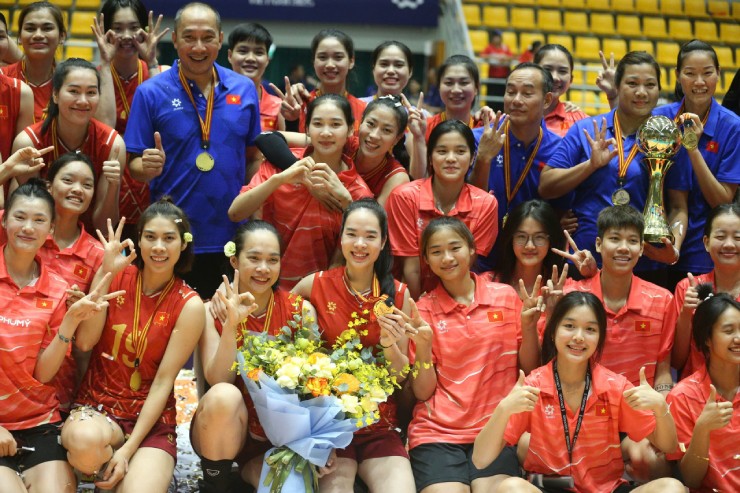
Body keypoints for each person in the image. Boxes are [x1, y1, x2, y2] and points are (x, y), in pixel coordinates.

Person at [472, 291, 683, 493]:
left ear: (599, 338)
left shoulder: (615, 386)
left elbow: (668, 445)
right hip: (549, 487)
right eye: (569, 326)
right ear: (553, 332)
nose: (579, 337)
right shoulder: (534, 386)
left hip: (606, 489)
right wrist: (503, 409)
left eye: (590, 329)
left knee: (672, 488)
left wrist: (660, 407)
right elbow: (480, 459)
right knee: (510, 488)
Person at [61, 201, 204, 492]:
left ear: (183, 244)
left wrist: (127, 450)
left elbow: (164, 381)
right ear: (138, 240)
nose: (158, 247)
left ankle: (124, 470)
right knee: (83, 441)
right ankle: (103, 466)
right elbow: (85, 342)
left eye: (169, 238)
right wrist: (105, 275)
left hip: (151, 422)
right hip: (97, 408)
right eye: (150, 237)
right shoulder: (115, 275)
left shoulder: (189, 304)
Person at [125, 1, 261, 297]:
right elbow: (133, 165)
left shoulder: (244, 89)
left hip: (230, 235)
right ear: (174, 39)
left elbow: (253, 159)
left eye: (207, 37)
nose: (198, 47)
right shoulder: (150, 92)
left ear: (220, 39)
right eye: (189, 37)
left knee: (225, 320)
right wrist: (145, 167)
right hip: (172, 239)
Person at [0, 179, 118, 493]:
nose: (28, 227)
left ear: (50, 228)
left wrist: (69, 322)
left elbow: (42, 374)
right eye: (20, 217)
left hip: (38, 421)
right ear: (4, 220)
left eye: (39, 220)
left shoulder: (57, 289)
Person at [406, 216, 539, 492]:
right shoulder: (423, 309)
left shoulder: (505, 297)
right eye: (436, 251)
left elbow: (528, 368)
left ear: (472, 249)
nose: (447, 258)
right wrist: (423, 346)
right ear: (426, 260)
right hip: (437, 433)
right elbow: (423, 392)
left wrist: (528, 328)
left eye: (455, 247)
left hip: (494, 428)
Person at [293, 199, 415, 492]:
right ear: (341, 237)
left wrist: (388, 344)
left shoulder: (399, 295)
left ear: (383, 242)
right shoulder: (315, 285)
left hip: (380, 425)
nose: (360, 244)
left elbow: (400, 377)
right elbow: (275, 318)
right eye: (352, 234)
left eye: (370, 236)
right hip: (329, 425)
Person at [540, 51, 689, 284]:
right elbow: (546, 186)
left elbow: (678, 206)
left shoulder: (670, 138)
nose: (641, 92)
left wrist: (674, 250)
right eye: (632, 83)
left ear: (659, 90)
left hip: (645, 263)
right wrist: (590, 166)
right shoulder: (587, 129)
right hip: (586, 259)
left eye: (650, 85)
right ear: (617, 86)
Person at [192, 220, 317, 492]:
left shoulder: (301, 312)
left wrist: (317, 444)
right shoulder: (211, 311)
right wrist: (231, 326)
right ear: (235, 260)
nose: (263, 268)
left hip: (278, 439)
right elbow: (218, 379)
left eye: (273, 260)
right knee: (224, 395)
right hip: (224, 428)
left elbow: (314, 388)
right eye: (254, 258)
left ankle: (249, 473)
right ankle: (216, 484)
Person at [562, 205, 677, 481]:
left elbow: (663, 371)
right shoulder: (572, 296)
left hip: (636, 416)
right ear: (598, 244)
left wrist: (660, 412)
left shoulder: (662, 300)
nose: (624, 248)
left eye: (632, 241)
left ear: (641, 249)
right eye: (615, 239)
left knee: (652, 459)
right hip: (583, 414)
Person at [229, 94, 372, 289]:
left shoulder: (358, 191)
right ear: (307, 129)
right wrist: (280, 179)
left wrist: (348, 203)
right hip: (265, 286)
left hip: (317, 294)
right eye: (318, 124)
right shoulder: (280, 165)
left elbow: (348, 259)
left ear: (349, 130)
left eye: (335, 124)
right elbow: (235, 213)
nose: (326, 132)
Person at [653, 40, 740, 288]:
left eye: (707, 73)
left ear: (719, 74)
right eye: (690, 73)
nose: (699, 82)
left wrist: (692, 148)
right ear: (677, 75)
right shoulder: (659, 119)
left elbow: (722, 201)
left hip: (707, 254)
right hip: (657, 249)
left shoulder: (733, 127)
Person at [386, 120, 498, 299]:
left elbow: (463, 266)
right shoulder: (404, 197)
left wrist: (441, 307)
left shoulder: (485, 204)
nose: (451, 158)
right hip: (408, 296)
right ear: (430, 158)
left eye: (460, 151)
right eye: (442, 151)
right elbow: (411, 268)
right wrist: (420, 308)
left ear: (472, 157)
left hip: (457, 296)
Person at [12, 58, 125, 233]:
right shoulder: (29, 143)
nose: (83, 101)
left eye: (91, 92)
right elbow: (32, 213)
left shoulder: (112, 145)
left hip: (91, 239)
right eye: (74, 91)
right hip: (39, 237)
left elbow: (103, 227)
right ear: (55, 95)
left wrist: (113, 185)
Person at [92, 0, 169, 240]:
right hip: (110, 182)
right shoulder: (93, 78)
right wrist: (105, 63)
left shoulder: (161, 73)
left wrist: (152, 62)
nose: (126, 36)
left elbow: (164, 125)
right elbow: (105, 131)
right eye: (118, 28)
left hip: (152, 180)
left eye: (134, 27)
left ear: (145, 30)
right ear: (105, 32)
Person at [471, 63, 563, 263]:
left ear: (547, 100)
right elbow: (468, 203)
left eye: (527, 94)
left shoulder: (560, 149)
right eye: (511, 92)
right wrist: (483, 159)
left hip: (532, 261)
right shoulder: (477, 139)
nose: (516, 100)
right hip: (480, 258)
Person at [40, 153, 106, 413]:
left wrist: (82, 311)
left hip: (62, 378)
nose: (78, 189)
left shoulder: (98, 254)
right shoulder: (25, 232)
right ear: (48, 186)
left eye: (87, 185)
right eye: (68, 180)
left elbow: (87, 341)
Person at [666, 286, 739, 492]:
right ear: (707, 338)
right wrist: (702, 429)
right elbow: (691, 479)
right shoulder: (682, 397)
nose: (738, 338)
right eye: (728, 331)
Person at [669, 203, 740, 380]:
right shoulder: (687, 288)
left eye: (738, 237)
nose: (729, 244)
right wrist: (686, 313)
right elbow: (677, 361)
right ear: (706, 243)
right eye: (721, 236)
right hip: (695, 391)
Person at [277, 29, 366, 133]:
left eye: (338, 57)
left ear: (351, 61)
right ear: (314, 62)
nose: (330, 65)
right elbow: (287, 142)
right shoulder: (295, 106)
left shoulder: (364, 110)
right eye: (322, 57)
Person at [2, 2, 65, 122]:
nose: (38, 35)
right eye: (30, 29)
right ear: (19, 37)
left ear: (62, 36)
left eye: (47, 28)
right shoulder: (3, 77)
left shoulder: (70, 83)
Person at [227, 23, 283, 135]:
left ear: (267, 59)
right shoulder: (216, 99)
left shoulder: (279, 107)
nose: (250, 58)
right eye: (243, 51)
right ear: (230, 56)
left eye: (258, 52)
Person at [533, 44, 588, 137]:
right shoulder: (516, 114)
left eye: (562, 71)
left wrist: (612, 96)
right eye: (547, 69)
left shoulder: (580, 121)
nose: (555, 77)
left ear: (571, 79)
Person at [481, 29, 513, 112]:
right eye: (495, 37)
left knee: (502, 98)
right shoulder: (489, 47)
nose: (497, 39)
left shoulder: (505, 48)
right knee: (491, 100)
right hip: (492, 77)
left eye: (498, 37)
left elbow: (511, 57)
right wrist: (493, 56)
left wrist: (504, 57)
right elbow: (483, 56)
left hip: (503, 77)